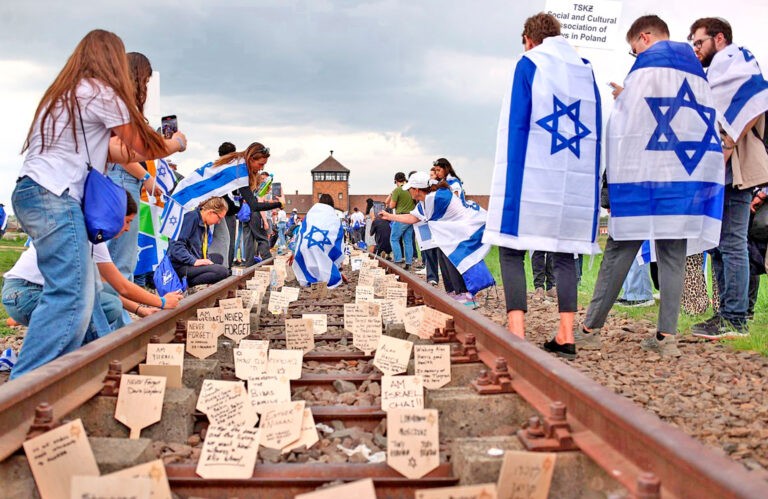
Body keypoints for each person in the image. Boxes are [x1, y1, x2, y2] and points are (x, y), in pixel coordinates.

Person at [10, 30, 169, 379]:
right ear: (111, 58)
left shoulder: (64, 94)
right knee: (71, 295)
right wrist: (176, 144)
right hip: (55, 194)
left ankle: (48, 380)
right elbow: (143, 145)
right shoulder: (99, 90)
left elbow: (116, 150)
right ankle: (25, 385)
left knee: (79, 295)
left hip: (34, 191)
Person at [575, 15, 724, 357]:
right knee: (672, 253)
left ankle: (590, 329)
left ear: (644, 37)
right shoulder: (695, 72)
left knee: (620, 250)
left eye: (633, 50)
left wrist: (624, 99)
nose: (634, 56)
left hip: (646, 176)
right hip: (684, 178)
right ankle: (665, 339)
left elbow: (633, 126)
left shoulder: (648, 65)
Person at [483, 13, 602, 357]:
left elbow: (516, 124)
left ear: (529, 39)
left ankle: (517, 331)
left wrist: (509, 179)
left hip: (534, 176)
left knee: (511, 247)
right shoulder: (585, 68)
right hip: (573, 181)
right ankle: (566, 333)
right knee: (566, 253)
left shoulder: (528, 63)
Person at [687, 17, 768, 338]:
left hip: (737, 168)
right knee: (717, 245)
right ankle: (724, 313)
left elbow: (749, 108)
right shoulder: (717, 72)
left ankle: (735, 318)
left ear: (719, 39)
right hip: (719, 170)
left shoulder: (739, 65)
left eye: (699, 42)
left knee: (732, 243)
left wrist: (729, 142)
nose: (696, 49)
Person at [3, 193, 182, 336]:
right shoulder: (87, 236)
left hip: (26, 293)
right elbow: (123, 286)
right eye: (127, 221)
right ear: (113, 216)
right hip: (26, 294)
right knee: (109, 307)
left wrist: (140, 310)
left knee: (107, 299)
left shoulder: (90, 233)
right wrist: (162, 301)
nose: (127, 228)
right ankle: (69, 352)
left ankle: (76, 350)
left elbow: (104, 288)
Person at [105, 52, 187, 283]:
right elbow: (123, 153)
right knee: (121, 253)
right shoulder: (122, 107)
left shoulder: (110, 103)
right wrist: (175, 144)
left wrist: (146, 178)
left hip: (119, 176)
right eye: (146, 81)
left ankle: (114, 307)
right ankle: (117, 309)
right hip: (121, 178)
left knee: (115, 251)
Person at [381, 171, 493, 304]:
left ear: (417, 190)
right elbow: (413, 218)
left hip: (466, 231)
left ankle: (465, 295)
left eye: (410, 189)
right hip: (454, 234)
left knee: (457, 260)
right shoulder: (426, 200)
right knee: (443, 255)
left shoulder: (435, 198)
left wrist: (392, 216)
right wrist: (390, 216)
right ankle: (454, 291)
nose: (409, 192)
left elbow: (421, 217)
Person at [427, 162, 472, 300]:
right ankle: (452, 290)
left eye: (439, 170)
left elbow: (456, 200)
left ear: (446, 169)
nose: (437, 173)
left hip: (455, 225)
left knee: (451, 259)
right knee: (443, 258)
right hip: (446, 226)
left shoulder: (453, 182)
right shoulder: (444, 183)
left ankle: (462, 292)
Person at [168, 197, 230, 286]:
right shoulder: (191, 218)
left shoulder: (204, 222)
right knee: (222, 271)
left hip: (193, 260)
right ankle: (186, 283)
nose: (218, 222)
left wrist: (205, 260)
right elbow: (176, 246)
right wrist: (194, 261)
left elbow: (202, 248)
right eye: (219, 218)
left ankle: (195, 279)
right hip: (181, 265)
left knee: (218, 258)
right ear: (210, 212)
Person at [291, 194, 345, 288]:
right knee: (323, 258)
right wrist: (337, 266)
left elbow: (301, 233)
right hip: (322, 245)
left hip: (305, 246)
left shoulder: (311, 214)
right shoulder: (333, 218)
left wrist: (294, 252)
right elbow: (337, 239)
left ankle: (308, 279)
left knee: (310, 256)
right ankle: (327, 276)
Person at [388, 172, 416, 269]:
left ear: (396, 181)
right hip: (411, 217)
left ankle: (398, 260)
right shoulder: (410, 189)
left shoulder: (397, 190)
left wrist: (392, 195)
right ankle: (408, 263)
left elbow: (391, 206)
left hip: (401, 217)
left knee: (394, 239)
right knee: (408, 241)